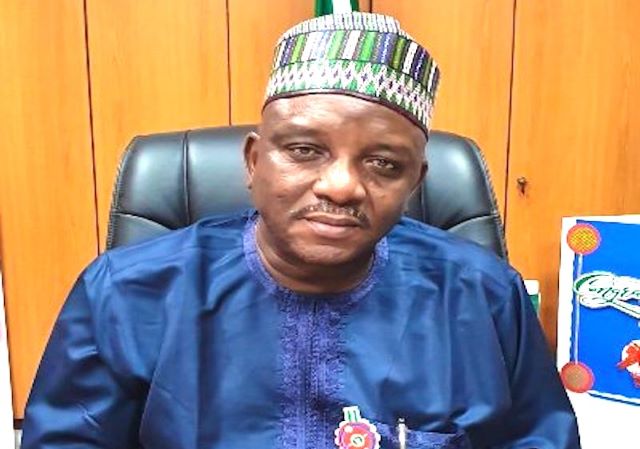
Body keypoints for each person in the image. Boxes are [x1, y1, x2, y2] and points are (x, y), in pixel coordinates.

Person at [21, 9, 580, 449]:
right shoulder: (126, 292)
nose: (341, 186)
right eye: (305, 150)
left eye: (383, 164)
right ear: (253, 161)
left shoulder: (481, 295)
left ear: (415, 182)